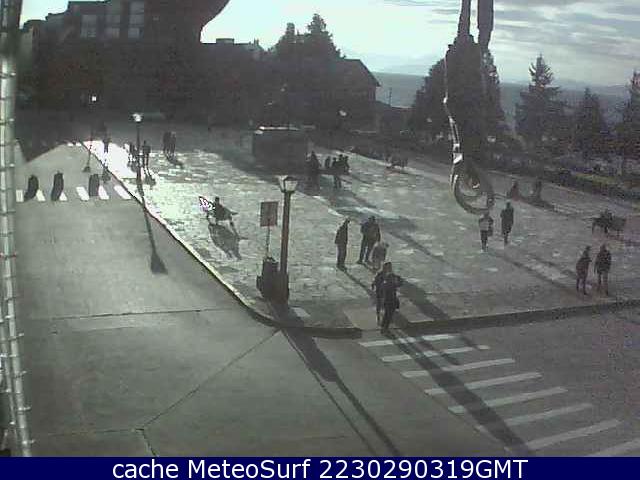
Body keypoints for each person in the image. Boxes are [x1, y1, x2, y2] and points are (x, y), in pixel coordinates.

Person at [380, 262, 403, 334]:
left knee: (387, 314)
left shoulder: (386, 283)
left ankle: (383, 326)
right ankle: (385, 327)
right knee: (388, 315)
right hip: (390, 301)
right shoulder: (390, 284)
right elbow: (399, 284)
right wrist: (399, 278)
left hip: (388, 300)